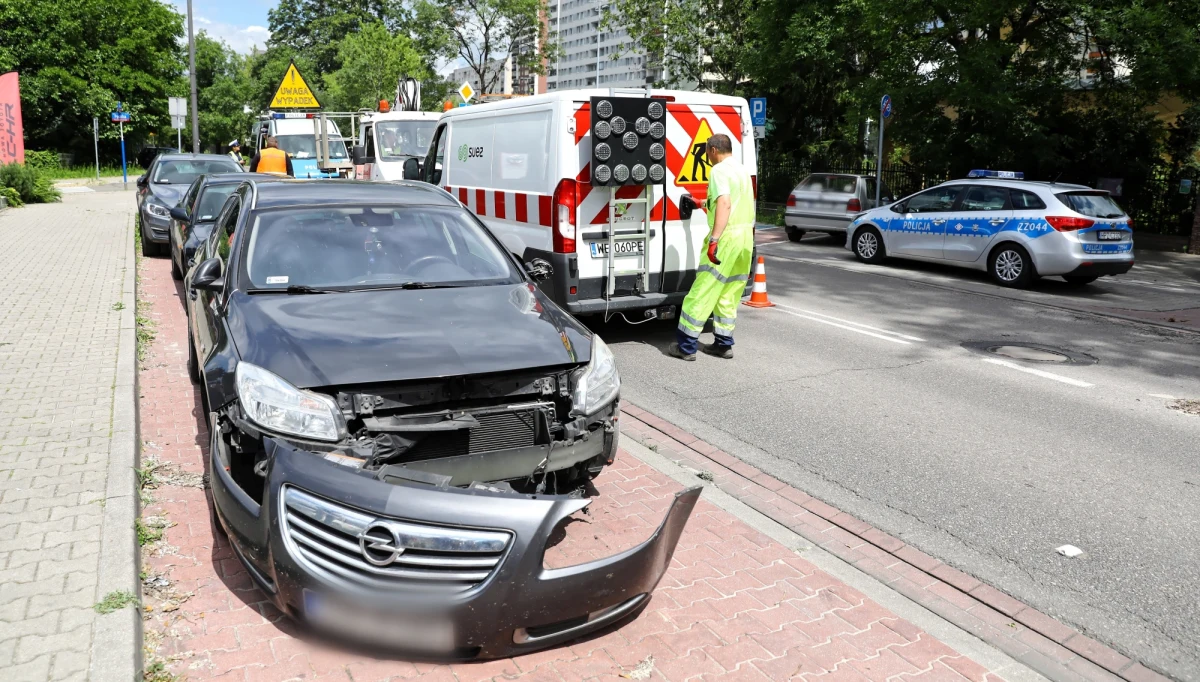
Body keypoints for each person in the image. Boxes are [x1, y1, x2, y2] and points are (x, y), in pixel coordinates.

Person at [669, 134, 755, 361]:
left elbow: (725, 204)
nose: (707, 156)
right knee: (729, 292)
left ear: (714, 150)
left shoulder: (718, 171)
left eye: (707, 151)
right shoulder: (742, 171)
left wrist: (715, 239)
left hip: (725, 239)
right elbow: (733, 205)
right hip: (745, 238)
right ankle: (723, 344)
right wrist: (702, 204)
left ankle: (686, 347)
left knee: (702, 290)